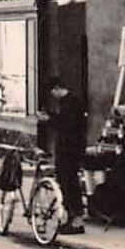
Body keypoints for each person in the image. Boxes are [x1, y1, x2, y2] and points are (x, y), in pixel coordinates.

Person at [46, 78, 87, 234]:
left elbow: (66, 125)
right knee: (68, 182)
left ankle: (76, 218)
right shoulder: (72, 102)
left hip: (69, 149)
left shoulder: (69, 103)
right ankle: (71, 218)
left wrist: (50, 119)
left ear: (57, 89)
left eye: (53, 92)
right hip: (71, 149)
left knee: (69, 182)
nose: (53, 96)